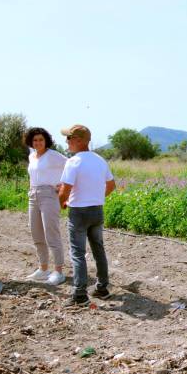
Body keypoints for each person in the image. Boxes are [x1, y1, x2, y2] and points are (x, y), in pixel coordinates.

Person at [57, 124, 116, 307]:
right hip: (97, 210)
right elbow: (111, 185)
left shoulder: (73, 162)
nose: (66, 141)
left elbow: (64, 190)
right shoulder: (100, 160)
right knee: (98, 249)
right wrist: (97, 197)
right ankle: (102, 288)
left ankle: (80, 294)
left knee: (77, 253)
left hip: (79, 213)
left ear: (79, 141)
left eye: (69, 138)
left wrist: (62, 204)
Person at [25, 127, 68, 285]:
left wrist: (63, 185)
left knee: (51, 233)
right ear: (31, 142)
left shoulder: (53, 155)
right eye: (35, 140)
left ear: (46, 141)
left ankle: (58, 271)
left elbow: (70, 166)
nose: (38, 142)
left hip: (49, 195)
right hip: (33, 195)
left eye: (41, 140)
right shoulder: (31, 156)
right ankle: (43, 269)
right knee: (36, 233)